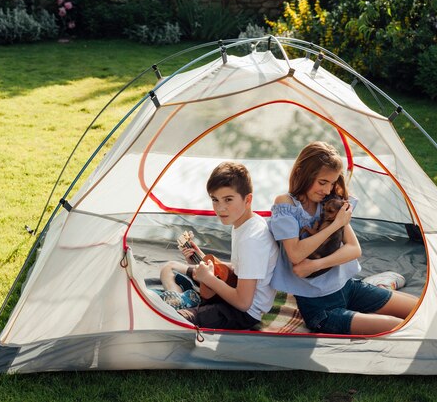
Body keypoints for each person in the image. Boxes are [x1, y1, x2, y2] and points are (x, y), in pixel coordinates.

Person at [269, 141, 418, 335]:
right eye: (323, 182)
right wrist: (336, 225)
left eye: (332, 183)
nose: (328, 190)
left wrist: (315, 265)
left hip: (349, 287)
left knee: (419, 309)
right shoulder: (286, 204)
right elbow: (296, 254)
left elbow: (354, 249)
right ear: (302, 172)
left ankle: (378, 287)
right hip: (321, 308)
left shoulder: (328, 202)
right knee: (398, 327)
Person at [170, 161, 280, 330]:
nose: (220, 208)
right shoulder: (245, 223)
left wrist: (209, 279)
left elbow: (243, 303)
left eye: (228, 199)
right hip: (235, 288)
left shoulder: (252, 239)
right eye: (215, 200)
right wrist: (201, 256)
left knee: (174, 319)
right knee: (169, 268)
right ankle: (187, 296)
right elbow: (240, 267)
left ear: (248, 199)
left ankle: (186, 300)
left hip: (244, 313)